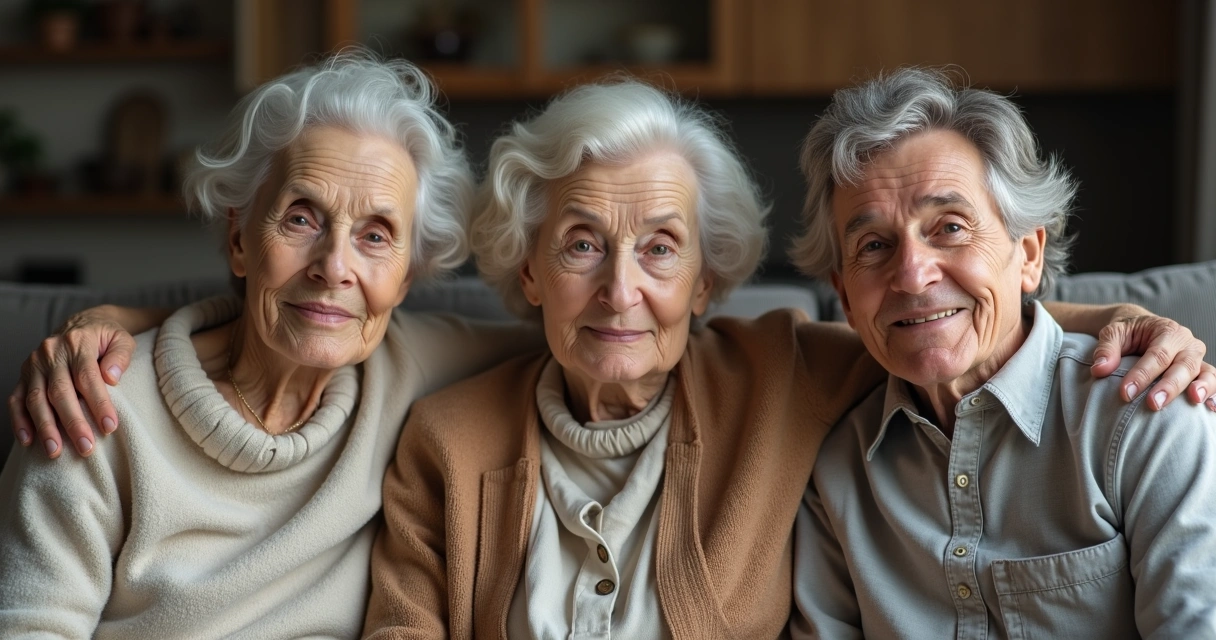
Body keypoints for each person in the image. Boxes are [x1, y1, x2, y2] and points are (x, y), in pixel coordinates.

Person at [359, 79, 1212, 639]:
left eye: (660, 248)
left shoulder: (776, 380)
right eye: (582, 245)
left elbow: (942, 325)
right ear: (528, 269)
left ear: (706, 282)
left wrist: (1126, 317)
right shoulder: (446, 439)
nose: (620, 291)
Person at [0, 53, 539, 637]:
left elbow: (586, 340)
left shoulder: (416, 368)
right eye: (302, 219)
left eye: (376, 236)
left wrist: (121, 313)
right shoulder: (94, 404)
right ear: (239, 239)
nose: (334, 267)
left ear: (407, 277)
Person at [790, 67, 1216, 639]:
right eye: (873, 245)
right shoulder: (837, 471)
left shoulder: (1147, 415)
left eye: (950, 227)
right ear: (843, 296)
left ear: (1029, 254)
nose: (913, 276)